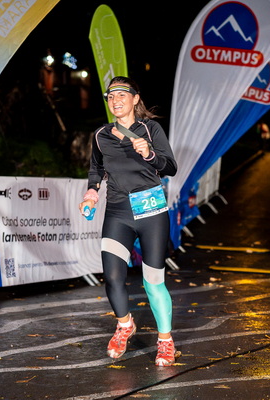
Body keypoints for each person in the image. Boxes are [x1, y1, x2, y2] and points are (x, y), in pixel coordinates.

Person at [79, 76, 178, 366]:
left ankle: (165, 341)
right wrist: (91, 194)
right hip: (118, 212)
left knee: (153, 282)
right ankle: (125, 325)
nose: (116, 100)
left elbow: (170, 167)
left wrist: (149, 153)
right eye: (111, 96)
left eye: (122, 95)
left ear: (135, 99)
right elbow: (96, 170)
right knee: (112, 276)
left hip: (151, 212)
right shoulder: (101, 135)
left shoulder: (150, 129)